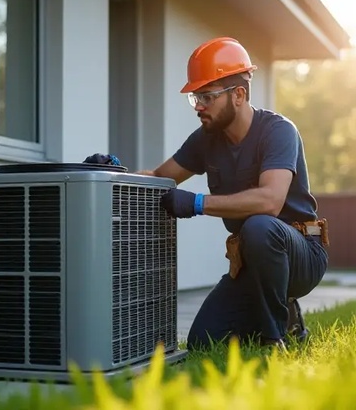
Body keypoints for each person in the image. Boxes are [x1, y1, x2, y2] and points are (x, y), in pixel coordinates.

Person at [131, 37, 329, 351]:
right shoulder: (206, 140)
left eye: (207, 97)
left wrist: (197, 203)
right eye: (196, 97)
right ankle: (275, 314)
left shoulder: (278, 131)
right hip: (252, 262)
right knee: (203, 341)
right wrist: (112, 173)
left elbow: (270, 201)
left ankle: (275, 338)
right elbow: (158, 177)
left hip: (301, 253)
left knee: (259, 225)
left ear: (238, 95)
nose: (199, 106)